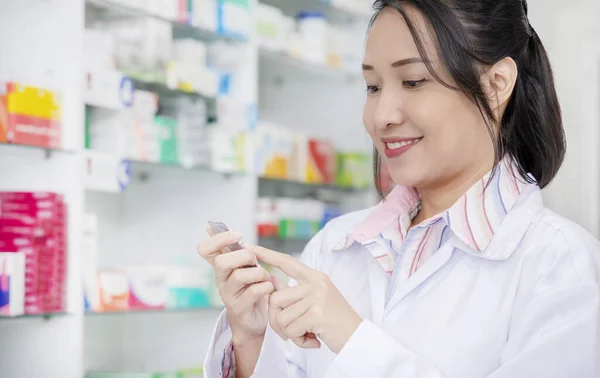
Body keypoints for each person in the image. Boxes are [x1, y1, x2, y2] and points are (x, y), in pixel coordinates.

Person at [197, 0, 600, 377]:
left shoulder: (561, 265)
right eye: (372, 87)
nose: (381, 116)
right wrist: (251, 339)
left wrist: (353, 338)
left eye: (413, 81)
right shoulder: (334, 246)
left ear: (496, 84)